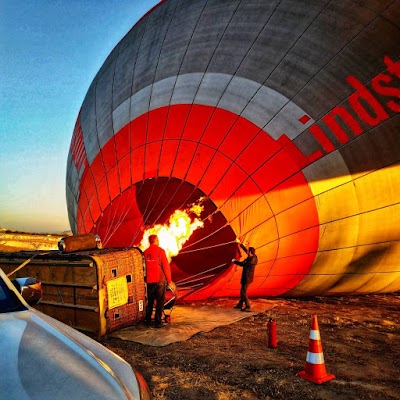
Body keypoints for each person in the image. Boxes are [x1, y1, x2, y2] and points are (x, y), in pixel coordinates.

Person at [144, 234, 173, 328]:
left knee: (150, 301)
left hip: (149, 281)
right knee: (160, 302)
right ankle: (157, 322)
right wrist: (169, 281)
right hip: (160, 281)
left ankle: (147, 321)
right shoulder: (160, 251)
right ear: (156, 240)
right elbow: (166, 267)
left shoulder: (145, 252)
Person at [232, 241, 258, 312]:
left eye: (248, 251)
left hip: (247, 277)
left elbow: (242, 264)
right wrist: (240, 244)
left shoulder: (250, 261)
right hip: (247, 277)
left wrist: (234, 261)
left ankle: (248, 306)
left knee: (243, 292)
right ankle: (240, 304)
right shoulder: (253, 256)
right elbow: (246, 250)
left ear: (250, 253)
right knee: (243, 291)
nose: (247, 252)